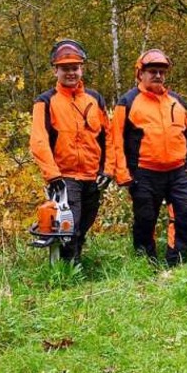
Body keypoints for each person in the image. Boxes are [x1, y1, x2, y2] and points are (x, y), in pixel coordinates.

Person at [113, 49, 187, 265]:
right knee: (145, 219)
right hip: (144, 173)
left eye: (162, 72)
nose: (158, 75)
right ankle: (146, 262)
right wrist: (123, 173)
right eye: (152, 71)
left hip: (177, 171)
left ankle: (176, 260)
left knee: (184, 214)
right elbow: (116, 140)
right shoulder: (128, 101)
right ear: (140, 73)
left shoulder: (176, 101)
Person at [29, 39, 114, 264]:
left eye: (74, 68)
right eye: (65, 68)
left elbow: (108, 137)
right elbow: (39, 140)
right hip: (64, 176)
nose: (71, 73)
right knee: (69, 225)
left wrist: (108, 170)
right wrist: (52, 175)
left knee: (85, 223)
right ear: (55, 70)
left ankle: (74, 262)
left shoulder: (95, 99)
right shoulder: (45, 101)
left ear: (81, 69)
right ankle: (68, 271)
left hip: (92, 175)